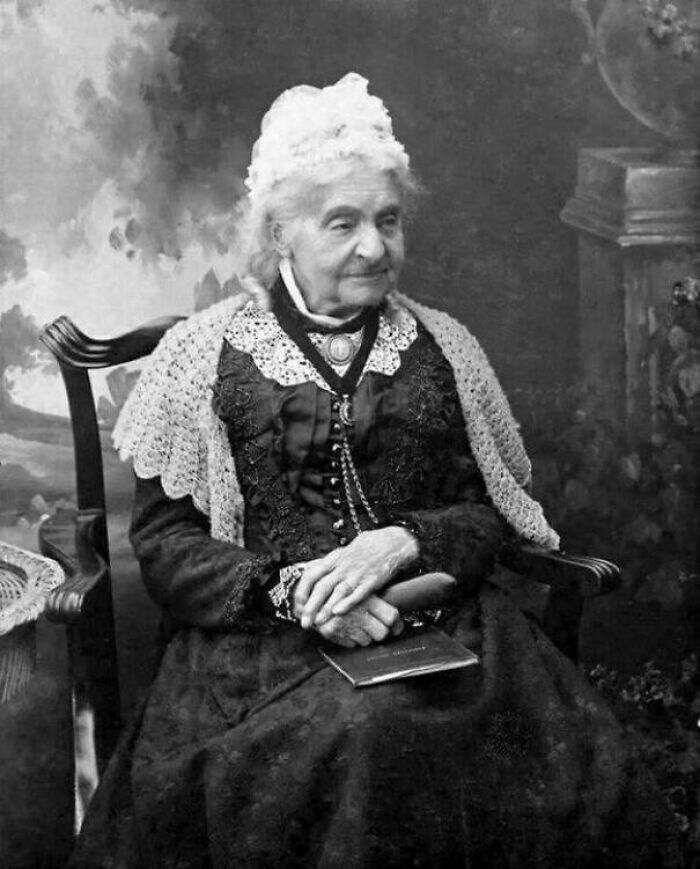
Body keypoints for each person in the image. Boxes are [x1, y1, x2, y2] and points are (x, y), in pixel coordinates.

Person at [71, 73, 680, 869]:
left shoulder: (442, 348)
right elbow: (166, 544)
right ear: (280, 232)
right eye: (343, 223)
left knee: (531, 748)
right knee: (367, 736)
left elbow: (487, 513)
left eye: (387, 221)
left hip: (443, 628)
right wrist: (291, 592)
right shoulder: (202, 355)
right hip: (263, 648)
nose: (374, 245)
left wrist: (399, 542)